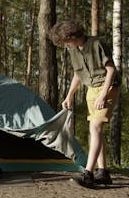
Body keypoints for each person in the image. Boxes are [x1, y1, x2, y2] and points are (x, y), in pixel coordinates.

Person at [50, 19, 120, 188]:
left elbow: (111, 70)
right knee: (96, 131)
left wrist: (103, 95)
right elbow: (78, 74)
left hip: (107, 87)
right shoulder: (73, 51)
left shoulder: (97, 44)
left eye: (66, 41)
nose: (65, 45)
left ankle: (88, 174)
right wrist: (69, 96)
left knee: (95, 127)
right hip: (91, 90)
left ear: (73, 35)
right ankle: (103, 173)